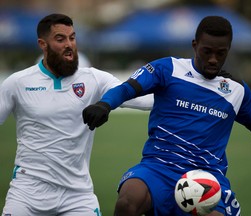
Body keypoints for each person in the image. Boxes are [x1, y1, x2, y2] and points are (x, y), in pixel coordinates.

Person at [82, 16, 251, 216]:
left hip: (207, 176)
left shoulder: (237, 90)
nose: (213, 59)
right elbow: (128, 89)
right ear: (194, 44)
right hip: (159, 167)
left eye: (221, 53)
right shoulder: (168, 69)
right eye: (207, 51)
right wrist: (104, 105)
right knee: (129, 201)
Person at [0, 13, 153, 216]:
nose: (69, 45)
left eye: (72, 38)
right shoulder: (17, 83)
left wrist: (186, 94)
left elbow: (141, 99)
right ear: (42, 44)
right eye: (60, 39)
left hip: (77, 196)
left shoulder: (94, 79)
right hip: (26, 193)